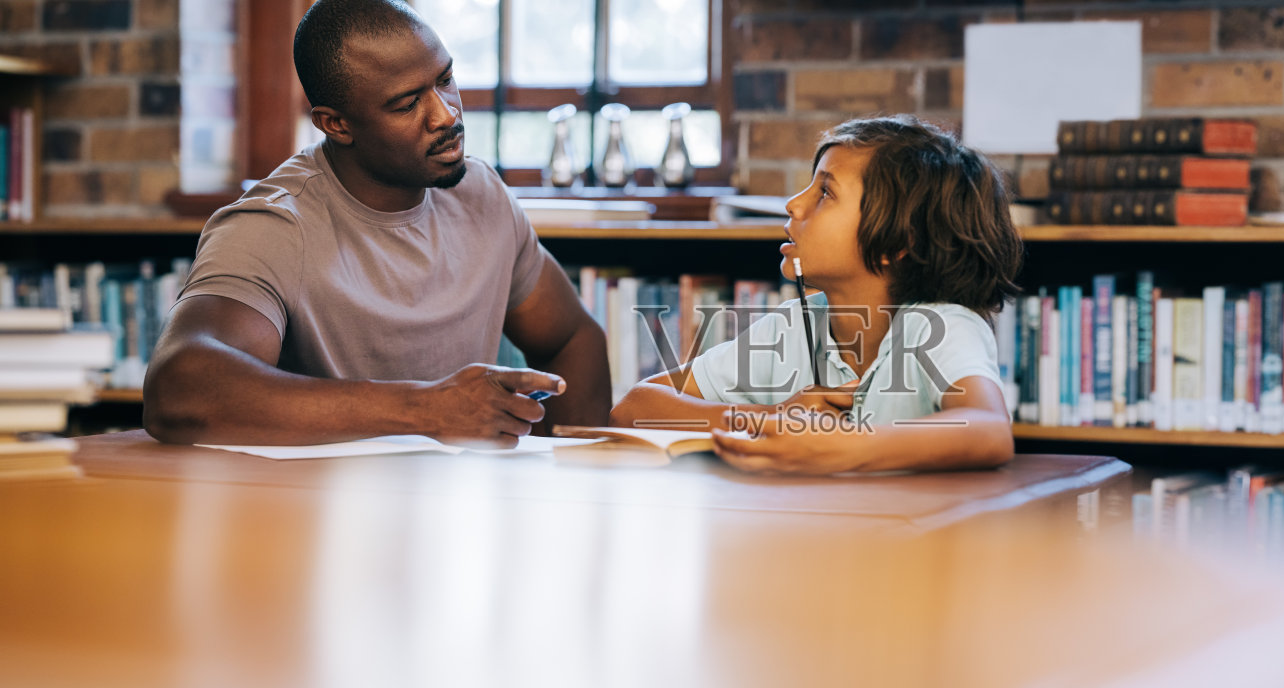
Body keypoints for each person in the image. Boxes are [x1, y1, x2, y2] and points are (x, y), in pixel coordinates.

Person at [144, 0, 609, 447]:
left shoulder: (482, 195)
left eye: (445, 79)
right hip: (317, 501)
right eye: (407, 104)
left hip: (465, 495)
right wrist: (427, 410)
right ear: (336, 124)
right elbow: (180, 391)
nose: (446, 114)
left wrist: (565, 470)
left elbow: (574, 338)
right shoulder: (275, 224)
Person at [610, 115, 1024, 474]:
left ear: (899, 241)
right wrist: (769, 419)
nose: (793, 204)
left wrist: (840, 448)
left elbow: (988, 429)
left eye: (825, 192)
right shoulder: (792, 326)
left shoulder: (941, 326)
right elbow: (633, 408)